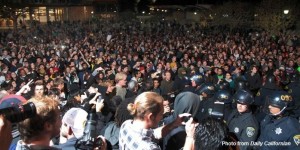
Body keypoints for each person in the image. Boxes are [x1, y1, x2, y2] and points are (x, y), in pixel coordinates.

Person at [118, 92, 191, 150]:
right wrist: (190, 137)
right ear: (151, 117)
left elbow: (153, 134)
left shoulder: (126, 125)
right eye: (161, 114)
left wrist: (174, 123)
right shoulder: (149, 148)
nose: (162, 117)